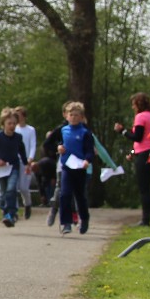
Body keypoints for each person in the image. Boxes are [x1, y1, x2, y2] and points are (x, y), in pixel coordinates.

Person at [114, 92, 150, 227]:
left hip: (144, 154)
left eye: (134, 104)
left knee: (143, 188)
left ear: (138, 104)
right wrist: (133, 152)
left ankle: (145, 220)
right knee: (147, 187)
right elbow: (145, 137)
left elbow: (137, 137)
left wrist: (122, 131)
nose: (133, 107)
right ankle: (147, 218)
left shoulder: (140, 116)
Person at [0, 108, 31, 227]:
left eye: (14, 123)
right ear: (3, 124)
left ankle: (11, 214)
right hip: (1, 170)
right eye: (9, 123)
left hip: (13, 167)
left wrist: (26, 164)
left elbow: (22, 151)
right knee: (3, 193)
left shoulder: (18, 137)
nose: (12, 126)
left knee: (11, 189)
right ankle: (5, 212)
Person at [56, 101, 95, 235]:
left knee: (80, 196)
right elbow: (60, 143)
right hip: (67, 166)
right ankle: (66, 223)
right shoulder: (64, 130)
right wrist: (60, 148)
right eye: (71, 115)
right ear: (67, 116)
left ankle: (84, 218)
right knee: (65, 194)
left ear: (81, 117)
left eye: (76, 115)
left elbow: (89, 151)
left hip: (80, 167)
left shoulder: (85, 133)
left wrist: (87, 160)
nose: (73, 117)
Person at [14, 106, 37, 219]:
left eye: (18, 115)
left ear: (23, 116)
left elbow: (32, 145)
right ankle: (14, 210)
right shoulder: (14, 129)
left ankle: (27, 204)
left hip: (25, 161)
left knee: (23, 188)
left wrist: (30, 158)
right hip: (14, 160)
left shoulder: (30, 130)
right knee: (13, 186)